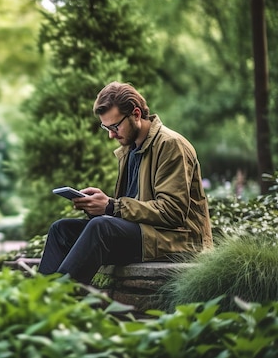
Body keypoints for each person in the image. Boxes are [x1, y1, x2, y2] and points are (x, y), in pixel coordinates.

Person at [38, 81, 213, 285]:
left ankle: (56, 300)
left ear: (136, 114)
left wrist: (112, 206)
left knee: (101, 227)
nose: (111, 134)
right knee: (61, 230)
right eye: (106, 127)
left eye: (115, 126)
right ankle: (40, 300)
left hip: (177, 240)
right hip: (146, 235)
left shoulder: (170, 145)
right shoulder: (129, 150)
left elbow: (172, 212)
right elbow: (130, 209)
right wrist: (99, 206)